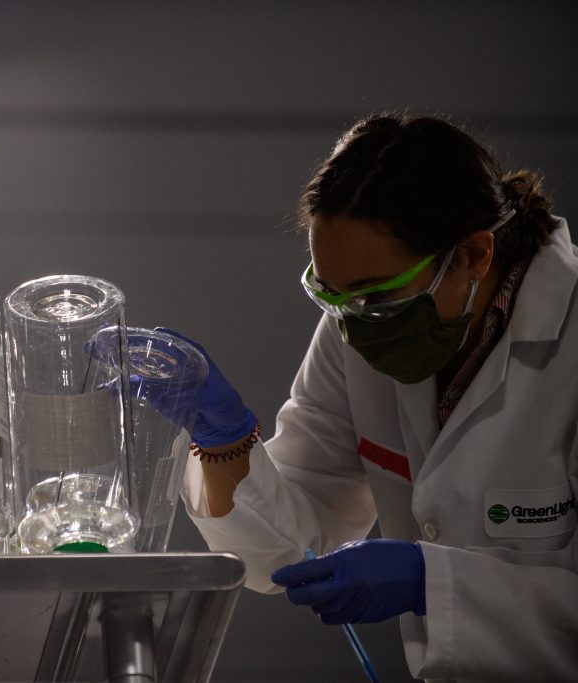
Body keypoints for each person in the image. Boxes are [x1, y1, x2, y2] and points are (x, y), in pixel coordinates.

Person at [167, 113, 578, 682]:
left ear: (474, 256)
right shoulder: (358, 332)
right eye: (330, 295)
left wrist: (431, 581)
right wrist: (227, 439)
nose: (355, 328)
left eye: (375, 298)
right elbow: (291, 551)